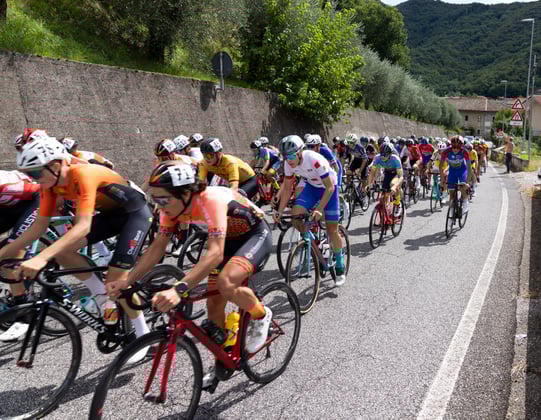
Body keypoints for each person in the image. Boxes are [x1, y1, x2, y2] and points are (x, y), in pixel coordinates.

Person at [0, 136, 152, 362]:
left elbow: (82, 227)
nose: (34, 179)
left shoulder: (82, 174)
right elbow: (38, 226)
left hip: (135, 214)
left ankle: (143, 335)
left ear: (55, 165)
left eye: (35, 173)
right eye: (29, 174)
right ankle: (100, 295)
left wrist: (41, 258)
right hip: (109, 216)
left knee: (116, 279)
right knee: (62, 252)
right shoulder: (50, 185)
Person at [127, 161, 273, 390]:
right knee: (214, 305)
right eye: (155, 199)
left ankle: (261, 315)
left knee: (226, 283)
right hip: (227, 240)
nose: (158, 205)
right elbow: (157, 248)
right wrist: (127, 280)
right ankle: (222, 361)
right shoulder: (171, 208)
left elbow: (214, 254)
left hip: (254, 235)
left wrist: (178, 289)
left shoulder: (210, 200)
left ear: (186, 193)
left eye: (163, 199)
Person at [273, 135, 346, 286]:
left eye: (291, 156)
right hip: (311, 188)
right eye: (285, 157)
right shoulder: (288, 164)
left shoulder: (314, 159)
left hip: (329, 189)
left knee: (332, 229)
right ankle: (316, 244)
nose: (288, 160)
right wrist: (279, 211)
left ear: (300, 152)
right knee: (296, 217)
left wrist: (319, 209)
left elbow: (330, 187)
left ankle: (339, 264)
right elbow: (287, 188)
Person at [367, 143, 404, 217]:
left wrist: (395, 186)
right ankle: (385, 214)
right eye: (382, 154)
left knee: (393, 184)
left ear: (390, 154)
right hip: (387, 173)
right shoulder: (377, 158)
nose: (383, 156)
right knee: (384, 195)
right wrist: (369, 184)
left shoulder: (395, 159)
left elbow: (401, 177)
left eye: (385, 154)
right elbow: (372, 172)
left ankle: (398, 204)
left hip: (396, 174)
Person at [440, 136, 474, 214]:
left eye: (458, 147)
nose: (455, 149)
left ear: (461, 146)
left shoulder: (464, 152)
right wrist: (442, 180)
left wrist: (467, 182)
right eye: (454, 146)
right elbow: (441, 166)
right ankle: (451, 211)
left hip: (462, 170)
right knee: (451, 193)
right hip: (452, 171)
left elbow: (469, 168)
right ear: (451, 145)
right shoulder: (446, 151)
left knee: (462, 186)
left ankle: (465, 201)